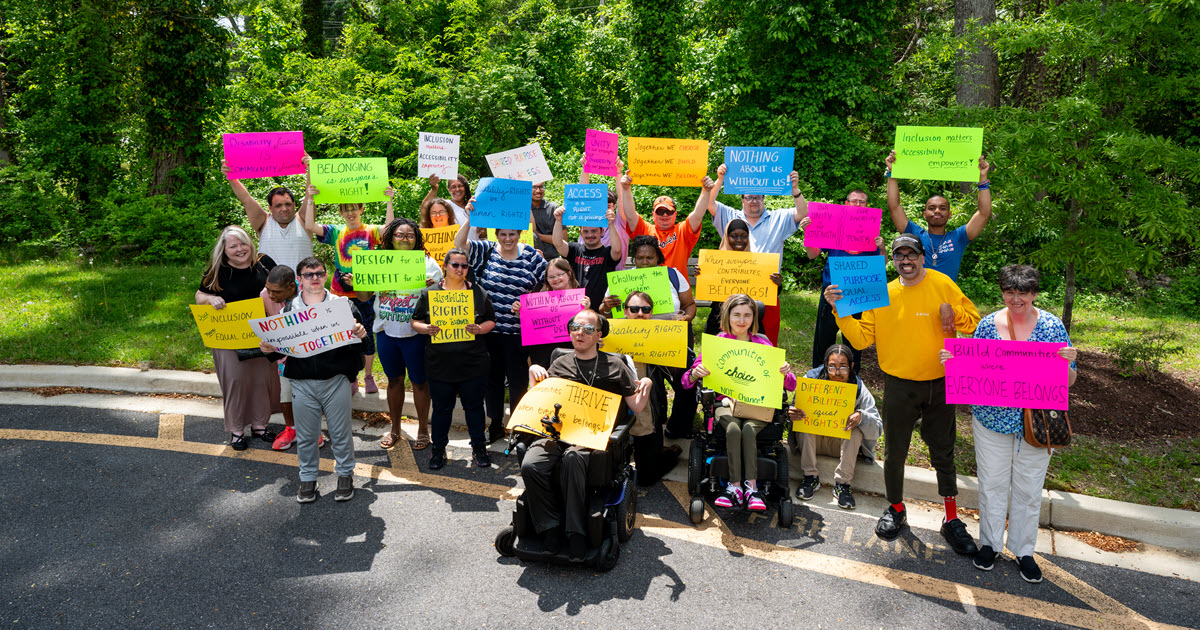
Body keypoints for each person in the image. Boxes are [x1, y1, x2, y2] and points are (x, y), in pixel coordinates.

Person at [824, 235, 981, 553]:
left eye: (912, 254)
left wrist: (955, 316)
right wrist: (839, 311)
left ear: (923, 257)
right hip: (898, 385)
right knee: (895, 453)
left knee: (944, 452)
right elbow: (862, 339)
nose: (906, 260)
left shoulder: (942, 284)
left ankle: (951, 518)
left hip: (939, 383)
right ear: (893, 260)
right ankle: (895, 508)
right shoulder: (883, 292)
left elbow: (974, 323)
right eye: (899, 256)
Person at [938, 265, 1077, 583]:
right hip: (990, 421)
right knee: (991, 484)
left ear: (1035, 294)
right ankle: (989, 544)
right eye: (1010, 292)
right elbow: (975, 370)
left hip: (1036, 425)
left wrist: (1067, 365)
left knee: (1029, 489)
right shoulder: (987, 326)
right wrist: (955, 364)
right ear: (1002, 292)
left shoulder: (1052, 328)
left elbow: (1068, 381)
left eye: (1023, 293)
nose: (1017, 299)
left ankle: (1024, 550)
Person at [522, 309, 653, 559]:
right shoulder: (559, 362)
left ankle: (576, 533)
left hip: (593, 435)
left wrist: (647, 384)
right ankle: (548, 526)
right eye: (575, 327)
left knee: (573, 458)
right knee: (531, 464)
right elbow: (539, 403)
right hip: (559, 431)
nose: (580, 332)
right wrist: (533, 373)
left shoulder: (615, 364)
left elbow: (635, 406)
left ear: (599, 335)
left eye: (588, 329)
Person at [260, 256, 368, 503]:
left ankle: (345, 475)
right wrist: (269, 350)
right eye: (309, 275)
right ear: (299, 280)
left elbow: (362, 345)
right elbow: (282, 350)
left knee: (341, 434)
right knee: (307, 436)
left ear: (326, 275)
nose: (315, 278)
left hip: (335, 381)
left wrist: (360, 335)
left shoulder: (343, 306)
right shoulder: (289, 311)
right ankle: (307, 479)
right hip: (302, 383)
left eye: (319, 273)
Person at [682, 294, 796, 511]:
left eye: (747, 315)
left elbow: (790, 385)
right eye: (737, 315)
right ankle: (735, 487)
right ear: (728, 316)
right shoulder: (718, 344)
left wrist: (786, 373)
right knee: (734, 428)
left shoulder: (764, 344)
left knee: (749, 430)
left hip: (757, 406)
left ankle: (752, 489)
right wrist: (696, 373)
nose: (742, 321)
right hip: (726, 404)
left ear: (754, 318)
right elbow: (686, 382)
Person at [454, 202, 549, 444]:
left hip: (519, 333)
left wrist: (529, 305)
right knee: (492, 380)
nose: (508, 239)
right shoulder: (485, 250)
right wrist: (470, 217)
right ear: (497, 235)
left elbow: (549, 284)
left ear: (519, 234)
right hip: (489, 331)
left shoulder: (531, 257)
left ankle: (518, 427)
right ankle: (495, 424)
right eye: (503, 234)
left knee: (518, 382)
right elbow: (459, 245)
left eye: (512, 234)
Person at [600, 235, 698, 439]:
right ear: (633, 258)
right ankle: (642, 430)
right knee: (641, 385)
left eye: (650, 258)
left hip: (668, 342)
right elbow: (605, 314)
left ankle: (678, 427)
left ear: (658, 258)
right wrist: (606, 306)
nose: (645, 262)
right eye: (640, 258)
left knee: (688, 380)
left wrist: (686, 318)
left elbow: (690, 305)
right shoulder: (622, 280)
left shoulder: (673, 275)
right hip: (634, 345)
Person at [301, 183, 395, 394]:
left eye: (354, 208)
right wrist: (310, 198)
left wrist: (389, 200)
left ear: (361, 209)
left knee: (367, 333)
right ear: (341, 212)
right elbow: (309, 225)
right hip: (339, 293)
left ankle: (368, 376)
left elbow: (390, 229)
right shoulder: (335, 231)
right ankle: (349, 376)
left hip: (366, 292)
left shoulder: (371, 231)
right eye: (346, 208)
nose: (351, 212)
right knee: (341, 334)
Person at [411, 248, 497, 469]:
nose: (460, 269)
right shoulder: (429, 294)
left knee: (475, 408)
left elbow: (491, 321)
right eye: (455, 265)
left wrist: (480, 328)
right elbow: (415, 321)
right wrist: (425, 328)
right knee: (441, 409)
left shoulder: (478, 292)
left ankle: (479, 448)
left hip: (473, 364)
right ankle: (438, 450)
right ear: (445, 266)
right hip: (440, 365)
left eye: (464, 265)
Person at [195, 226, 279, 450]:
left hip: (261, 334)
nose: (240, 249)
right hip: (228, 337)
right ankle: (237, 430)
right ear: (224, 250)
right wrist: (210, 300)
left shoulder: (264, 263)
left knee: (262, 380)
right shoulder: (217, 271)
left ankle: (260, 425)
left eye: (243, 244)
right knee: (235, 382)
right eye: (233, 246)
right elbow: (199, 294)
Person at [707, 164, 810, 344]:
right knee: (731, 339)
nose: (754, 201)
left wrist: (795, 190)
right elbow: (709, 203)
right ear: (742, 200)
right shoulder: (731, 216)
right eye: (749, 197)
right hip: (733, 290)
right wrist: (720, 180)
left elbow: (803, 213)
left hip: (766, 290)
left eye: (758, 197)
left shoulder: (779, 218)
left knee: (766, 341)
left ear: (764, 198)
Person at [375, 217, 443, 451]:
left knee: (420, 383)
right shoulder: (378, 262)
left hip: (415, 334)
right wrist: (359, 283)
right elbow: (364, 297)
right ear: (390, 237)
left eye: (410, 235)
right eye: (400, 235)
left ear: (417, 239)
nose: (405, 239)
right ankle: (395, 428)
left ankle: (423, 428)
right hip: (386, 332)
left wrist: (431, 285)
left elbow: (439, 296)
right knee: (394, 381)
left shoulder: (428, 263)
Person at [789, 344, 882, 510]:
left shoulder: (859, 389)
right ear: (825, 365)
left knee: (856, 427)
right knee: (805, 417)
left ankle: (843, 484)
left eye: (843, 367)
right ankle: (810, 477)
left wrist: (862, 416)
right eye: (832, 367)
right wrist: (792, 414)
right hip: (813, 443)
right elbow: (790, 412)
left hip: (840, 446)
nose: (837, 373)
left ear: (851, 367)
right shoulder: (811, 380)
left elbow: (877, 429)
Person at [804, 188, 886, 371]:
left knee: (854, 341)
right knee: (824, 339)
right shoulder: (833, 227)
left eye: (862, 202)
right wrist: (809, 234)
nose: (858, 205)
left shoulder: (872, 232)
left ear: (867, 206)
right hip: (831, 294)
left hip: (858, 294)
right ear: (846, 204)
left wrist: (883, 248)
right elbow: (812, 254)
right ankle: (819, 374)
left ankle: (851, 378)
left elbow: (880, 265)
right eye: (854, 201)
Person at [885, 153, 993, 281]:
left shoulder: (959, 237)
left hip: (947, 299)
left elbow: (984, 213)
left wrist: (983, 177)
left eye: (943, 208)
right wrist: (892, 173)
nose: (937, 211)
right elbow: (894, 207)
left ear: (949, 215)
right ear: (924, 214)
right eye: (931, 208)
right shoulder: (914, 234)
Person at [621, 292, 684, 486]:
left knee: (646, 479)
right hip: (618, 407)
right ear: (625, 312)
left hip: (648, 409)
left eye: (646, 309)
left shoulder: (662, 336)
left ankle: (669, 453)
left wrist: (676, 344)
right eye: (634, 309)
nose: (640, 313)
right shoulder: (610, 333)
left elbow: (678, 377)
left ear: (651, 313)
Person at [260, 265, 325, 451]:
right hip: (283, 350)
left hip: (311, 352)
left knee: (311, 392)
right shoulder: (264, 295)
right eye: (269, 290)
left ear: (292, 286)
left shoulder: (310, 294)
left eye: (276, 292)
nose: (271, 295)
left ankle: (313, 430)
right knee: (286, 390)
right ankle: (292, 429)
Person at [618, 169, 716, 280]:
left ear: (675, 215)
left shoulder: (683, 231)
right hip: (649, 286)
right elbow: (630, 215)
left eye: (669, 211)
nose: (665, 215)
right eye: (660, 211)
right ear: (653, 215)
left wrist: (706, 191)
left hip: (678, 288)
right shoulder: (644, 230)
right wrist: (626, 189)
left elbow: (697, 215)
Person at [696, 218, 782, 337]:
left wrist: (777, 284)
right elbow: (709, 292)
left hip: (748, 322)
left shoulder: (758, 264)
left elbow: (769, 294)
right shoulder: (715, 262)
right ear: (726, 237)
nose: (739, 240)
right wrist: (702, 274)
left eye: (744, 236)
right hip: (719, 319)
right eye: (734, 236)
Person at [223, 160, 314, 271]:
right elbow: (245, 199)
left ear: (294, 204)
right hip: (270, 286)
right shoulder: (264, 222)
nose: (284, 209)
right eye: (278, 205)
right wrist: (231, 176)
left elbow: (310, 195)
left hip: (303, 285)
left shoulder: (304, 220)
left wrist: (311, 168)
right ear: (270, 208)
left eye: (288, 204)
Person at [510, 257, 590, 370]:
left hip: (571, 352)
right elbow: (530, 323)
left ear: (569, 274)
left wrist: (586, 310)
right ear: (547, 280)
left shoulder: (581, 299)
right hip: (543, 355)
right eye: (551, 277)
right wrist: (520, 311)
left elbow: (590, 326)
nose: (556, 279)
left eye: (559, 274)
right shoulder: (537, 300)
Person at [550, 204, 623, 309]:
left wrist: (611, 224)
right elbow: (558, 243)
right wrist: (558, 221)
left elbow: (617, 249)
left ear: (601, 232)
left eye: (594, 231)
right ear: (580, 233)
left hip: (601, 310)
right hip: (576, 308)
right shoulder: (575, 250)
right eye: (586, 231)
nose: (590, 235)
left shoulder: (607, 253)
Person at [576, 155, 630, 270]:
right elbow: (583, 195)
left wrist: (619, 172)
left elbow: (622, 197)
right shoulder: (588, 220)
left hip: (615, 278)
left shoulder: (619, 221)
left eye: (608, 206)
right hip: (589, 275)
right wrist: (585, 169)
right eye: (600, 206)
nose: (604, 210)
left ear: (614, 207)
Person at [529, 181, 563, 260]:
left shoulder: (553, 208)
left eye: (541, 187)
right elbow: (530, 231)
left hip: (552, 258)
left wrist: (538, 236)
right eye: (534, 187)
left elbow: (563, 239)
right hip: (529, 258)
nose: (538, 191)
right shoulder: (521, 209)